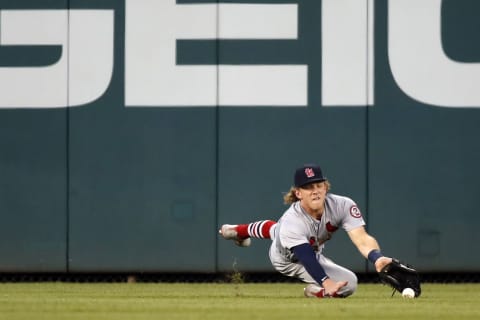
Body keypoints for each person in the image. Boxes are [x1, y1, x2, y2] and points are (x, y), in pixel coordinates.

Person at [219, 163, 393, 298]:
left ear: (326, 187)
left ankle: (314, 291)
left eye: (318, 185)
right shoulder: (291, 221)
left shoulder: (342, 205)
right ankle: (238, 231)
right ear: (298, 193)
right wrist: (326, 282)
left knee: (275, 229)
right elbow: (305, 256)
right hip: (287, 259)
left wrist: (377, 258)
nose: (315, 191)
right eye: (308, 187)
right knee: (350, 284)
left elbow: (361, 238)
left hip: (309, 249)